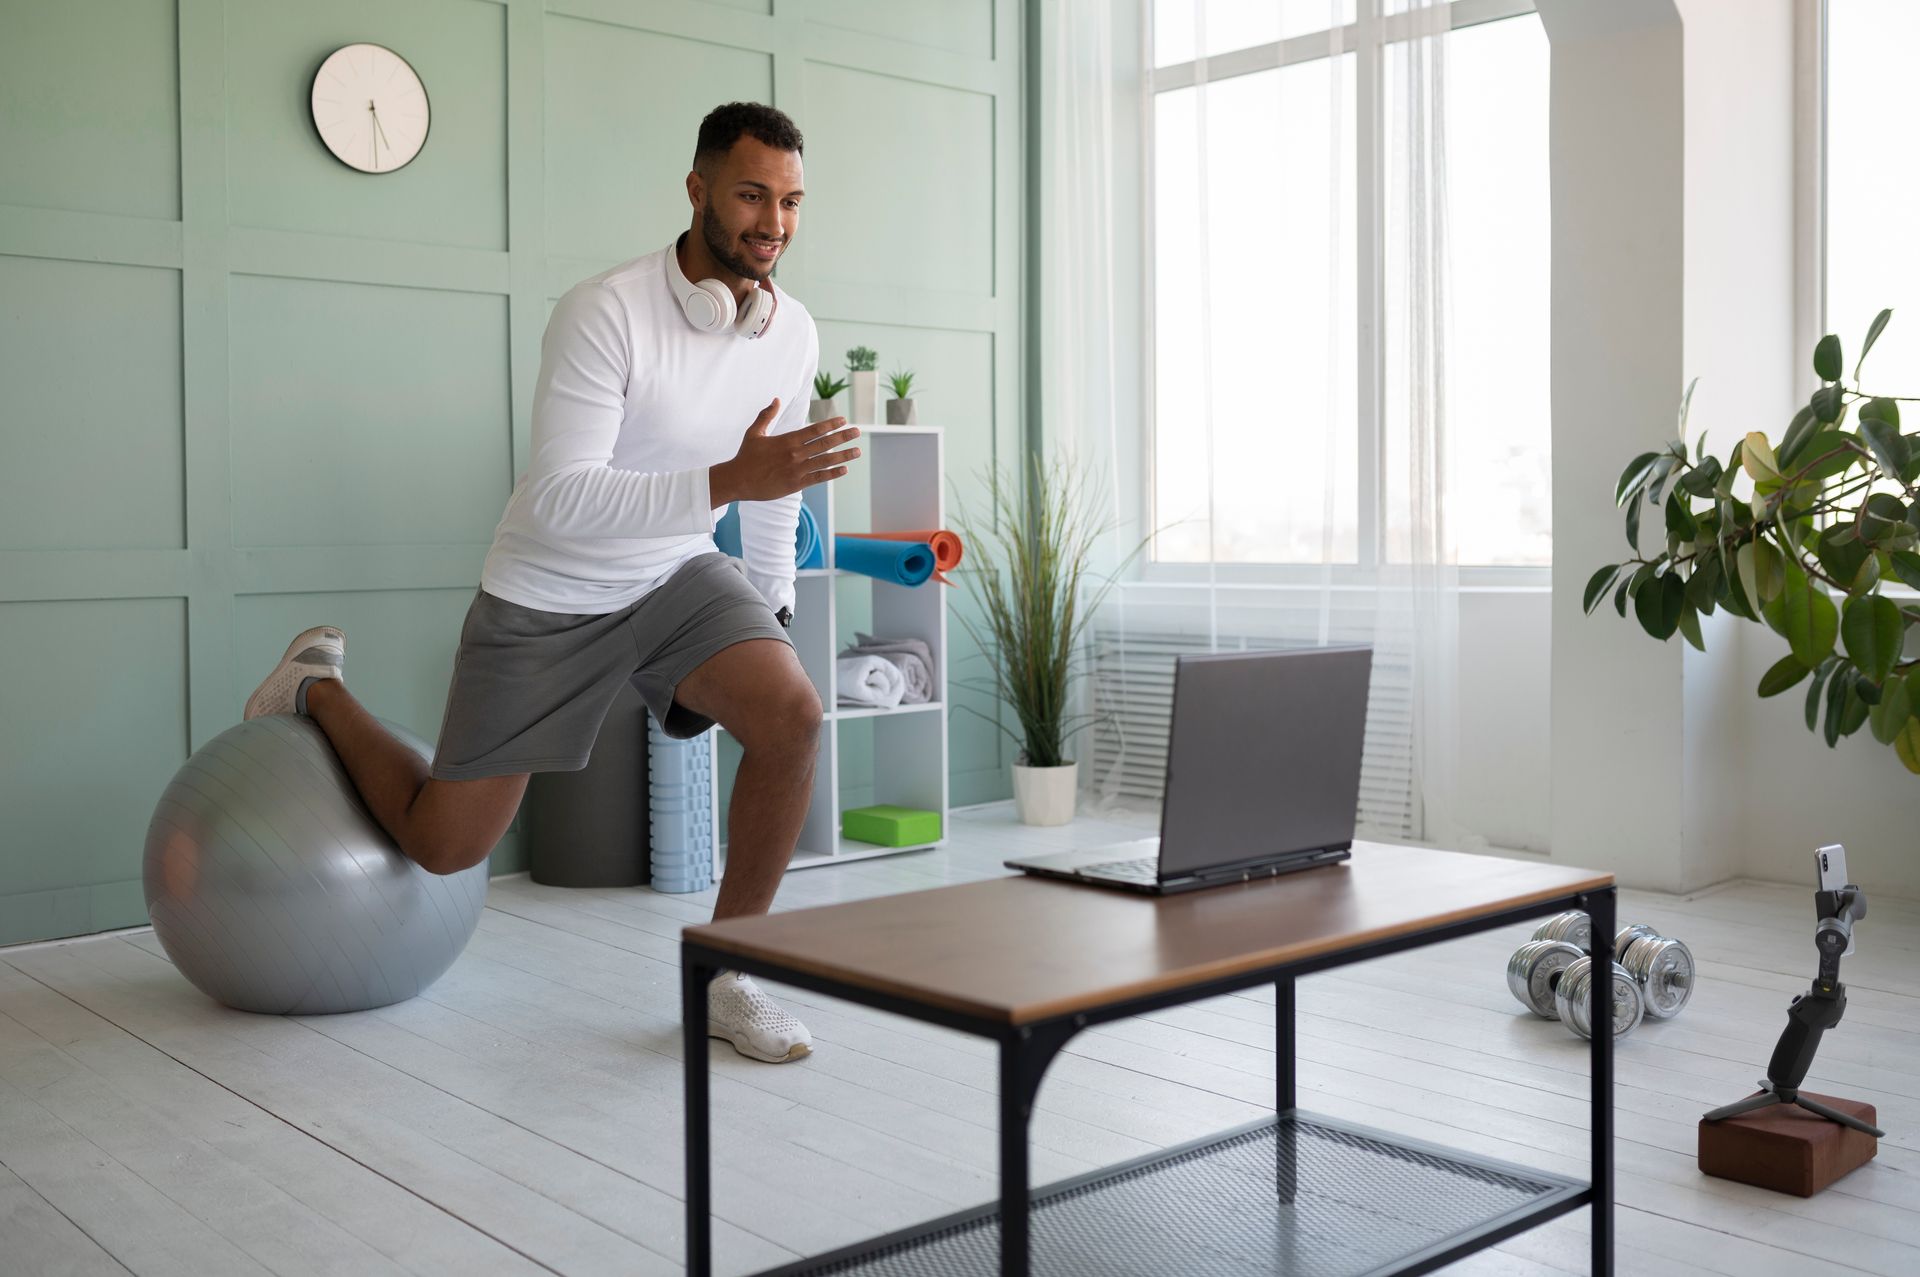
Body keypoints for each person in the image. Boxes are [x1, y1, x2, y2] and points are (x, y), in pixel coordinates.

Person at [241, 102, 857, 1064]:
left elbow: (774, 487)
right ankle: (313, 687)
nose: (771, 223)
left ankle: (729, 975)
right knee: (445, 844)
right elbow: (563, 498)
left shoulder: (792, 331)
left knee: (794, 717)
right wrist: (735, 482)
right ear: (697, 190)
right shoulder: (604, 310)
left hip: (677, 573)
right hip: (551, 590)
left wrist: (770, 599)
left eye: (789, 201)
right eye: (749, 195)